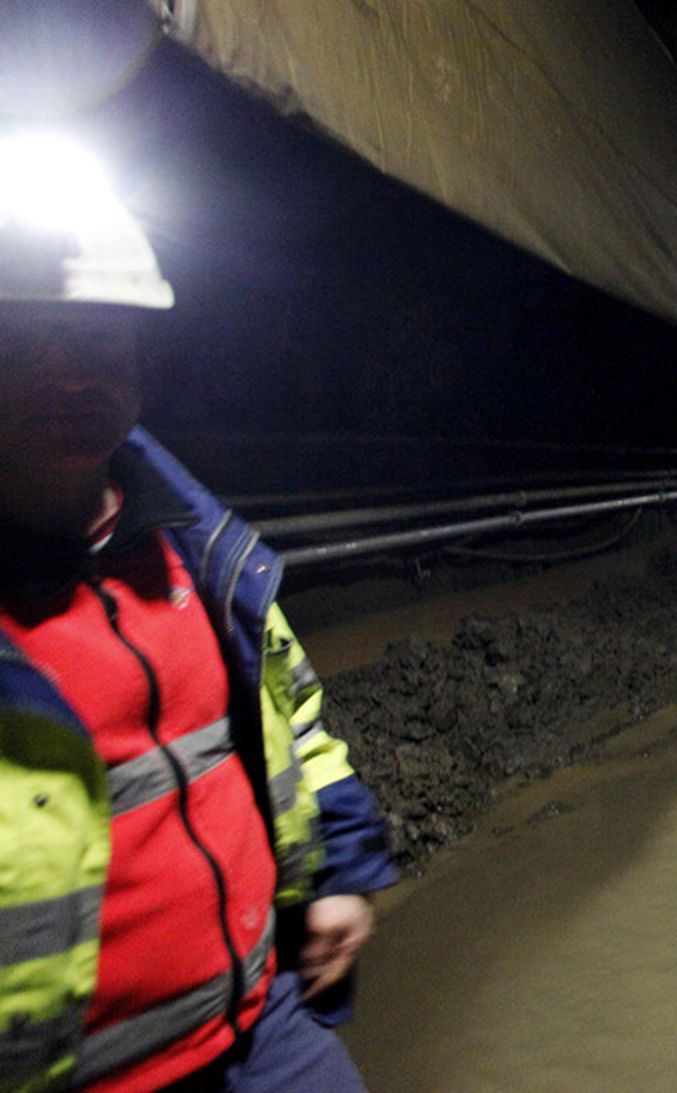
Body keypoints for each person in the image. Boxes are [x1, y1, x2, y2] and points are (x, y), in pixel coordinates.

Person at [0, 134, 398, 1090]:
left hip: (264, 1029)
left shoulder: (197, 548)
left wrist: (337, 872)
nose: (70, 378)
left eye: (99, 342)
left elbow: (288, 710)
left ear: (142, 359)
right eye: (23, 344)